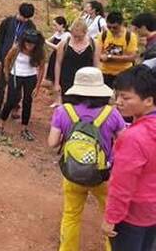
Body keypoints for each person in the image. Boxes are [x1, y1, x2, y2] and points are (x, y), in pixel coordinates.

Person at [47, 67, 125, 251]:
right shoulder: (111, 113)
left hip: (72, 173)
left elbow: (52, 143)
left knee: (71, 215)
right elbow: (124, 141)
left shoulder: (63, 111)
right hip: (103, 175)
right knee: (110, 218)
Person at [102, 66, 156, 251]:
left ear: (148, 100)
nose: (118, 102)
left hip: (132, 213)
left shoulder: (133, 137)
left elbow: (122, 183)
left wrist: (111, 218)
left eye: (126, 98)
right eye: (117, 96)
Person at [0, 3, 37, 121]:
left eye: (27, 18)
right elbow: (0, 41)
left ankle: (15, 107)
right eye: (23, 17)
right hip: (4, 59)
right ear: (19, 12)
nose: (25, 20)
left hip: (19, 61)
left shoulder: (31, 26)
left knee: (17, 85)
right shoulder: (7, 22)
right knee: (1, 84)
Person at [0, 29, 46, 141]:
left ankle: (24, 128)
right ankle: (1, 125)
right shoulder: (17, 48)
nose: (29, 46)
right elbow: (7, 59)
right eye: (27, 43)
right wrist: (7, 73)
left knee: (28, 102)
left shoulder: (39, 52)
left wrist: (37, 86)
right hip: (16, 76)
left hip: (31, 77)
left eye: (32, 44)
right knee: (10, 101)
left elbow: (42, 68)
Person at [55, 19, 101, 99]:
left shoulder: (93, 44)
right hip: (68, 81)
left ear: (85, 32)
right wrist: (56, 83)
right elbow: (58, 64)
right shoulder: (64, 44)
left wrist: (98, 82)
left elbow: (96, 64)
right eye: (74, 36)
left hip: (87, 82)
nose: (76, 39)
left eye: (79, 37)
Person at [97, 11, 138, 88]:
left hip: (123, 73)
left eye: (115, 27)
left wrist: (110, 57)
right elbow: (98, 54)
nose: (112, 30)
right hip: (105, 73)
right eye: (109, 27)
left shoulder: (130, 36)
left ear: (121, 24)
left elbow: (132, 57)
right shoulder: (104, 35)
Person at [46, 16, 71, 107]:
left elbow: (58, 47)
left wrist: (46, 42)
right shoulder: (57, 33)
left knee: (59, 79)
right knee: (53, 80)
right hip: (54, 57)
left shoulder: (67, 35)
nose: (54, 27)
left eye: (55, 25)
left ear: (62, 25)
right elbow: (49, 40)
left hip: (62, 58)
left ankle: (61, 100)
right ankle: (57, 100)